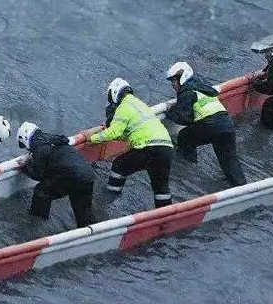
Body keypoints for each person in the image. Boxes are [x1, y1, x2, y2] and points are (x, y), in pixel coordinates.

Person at [90, 78, 174, 208]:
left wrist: (93, 138)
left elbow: (114, 132)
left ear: (114, 93)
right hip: (166, 147)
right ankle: (166, 217)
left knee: (119, 165)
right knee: (161, 188)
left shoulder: (124, 107)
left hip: (149, 147)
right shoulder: (139, 104)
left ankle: (109, 198)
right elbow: (130, 132)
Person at [166, 62, 246, 187]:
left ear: (182, 78)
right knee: (229, 159)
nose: (173, 85)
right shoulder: (202, 86)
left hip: (210, 125)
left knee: (184, 137)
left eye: (174, 82)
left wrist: (170, 113)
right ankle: (240, 187)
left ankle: (187, 169)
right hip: (226, 124)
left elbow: (185, 118)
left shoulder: (186, 91)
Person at [17, 122, 95, 228]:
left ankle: (36, 224)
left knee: (41, 191)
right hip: (87, 174)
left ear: (25, 138)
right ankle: (91, 233)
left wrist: (23, 167)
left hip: (72, 176)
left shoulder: (39, 148)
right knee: (83, 210)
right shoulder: (55, 139)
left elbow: (38, 175)